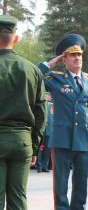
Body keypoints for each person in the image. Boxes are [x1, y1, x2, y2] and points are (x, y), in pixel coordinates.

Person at [38, 33, 88, 210]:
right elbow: (33, 77)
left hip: (84, 139)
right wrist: (48, 65)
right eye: (72, 55)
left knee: (81, 184)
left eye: (79, 54)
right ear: (64, 59)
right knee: (61, 184)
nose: (77, 58)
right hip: (63, 138)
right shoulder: (55, 78)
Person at [0, 15, 47, 210]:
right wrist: (35, 145)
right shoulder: (32, 69)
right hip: (22, 140)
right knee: (18, 197)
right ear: (16, 39)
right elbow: (41, 112)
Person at [36, 92, 54, 173]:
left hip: (49, 131)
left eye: (49, 95)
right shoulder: (42, 104)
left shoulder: (52, 106)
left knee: (47, 150)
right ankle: (39, 166)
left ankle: (45, 166)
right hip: (42, 130)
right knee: (40, 149)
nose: (48, 97)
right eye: (47, 95)